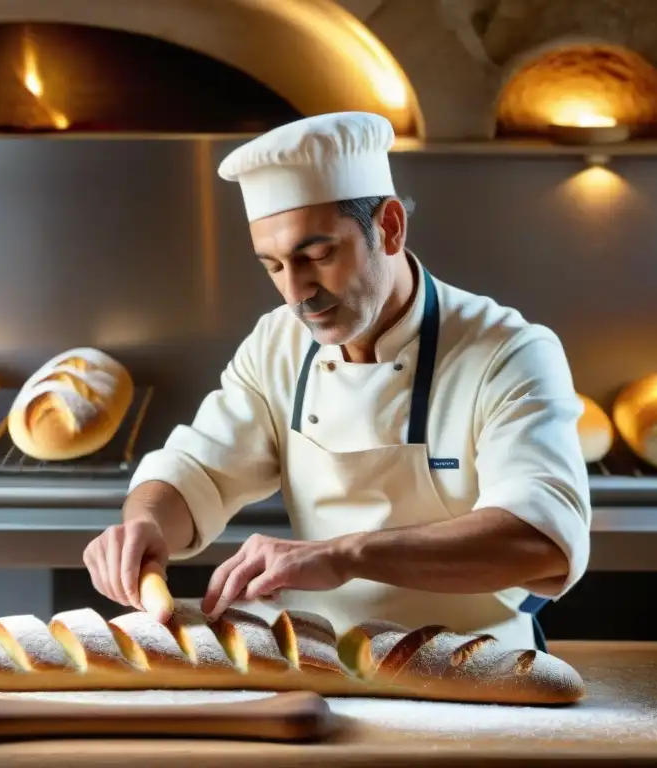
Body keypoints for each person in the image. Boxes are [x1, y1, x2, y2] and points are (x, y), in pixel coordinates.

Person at [83, 111, 591, 651]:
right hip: (317, 660)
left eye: (318, 255)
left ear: (390, 227)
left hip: (476, 663)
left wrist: (344, 554)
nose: (296, 292)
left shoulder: (509, 353)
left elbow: (541, 540)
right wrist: (146, 524)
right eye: (274, 266)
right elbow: (199, 473)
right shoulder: (277, 343)